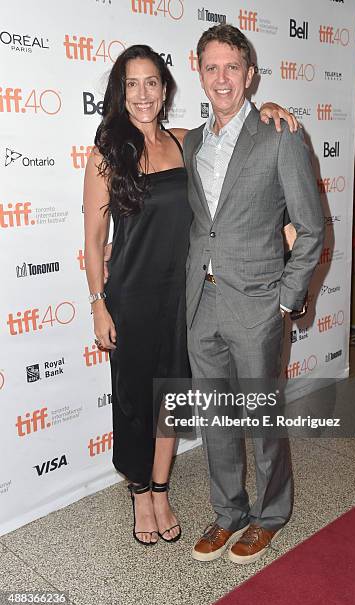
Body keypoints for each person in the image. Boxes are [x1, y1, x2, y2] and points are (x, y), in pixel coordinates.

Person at [83, 44, 298, 547]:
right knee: (136, 400)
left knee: (171, 399)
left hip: (184, 295)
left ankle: (161, 488)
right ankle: (141, 494)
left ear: (166, 89)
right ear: (121, 91)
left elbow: (238, 139)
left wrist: (269, 109)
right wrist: (98, 301)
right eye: (132, 84)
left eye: (152, 82)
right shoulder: (105, 156)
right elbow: (94, 240)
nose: (142, 93)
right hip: (131, 297)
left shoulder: (185, 142)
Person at [184, 24, 324, 564]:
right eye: (212, 67)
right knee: (215, 417)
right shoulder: (194, 140)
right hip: (204, 301)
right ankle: (228, 513)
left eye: (232, 67)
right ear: (199, 73)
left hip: (259, 302)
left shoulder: (281, 135)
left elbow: (311, 228)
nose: (222, 78)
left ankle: (270, 515)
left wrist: (288, 298)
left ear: (250, 75)